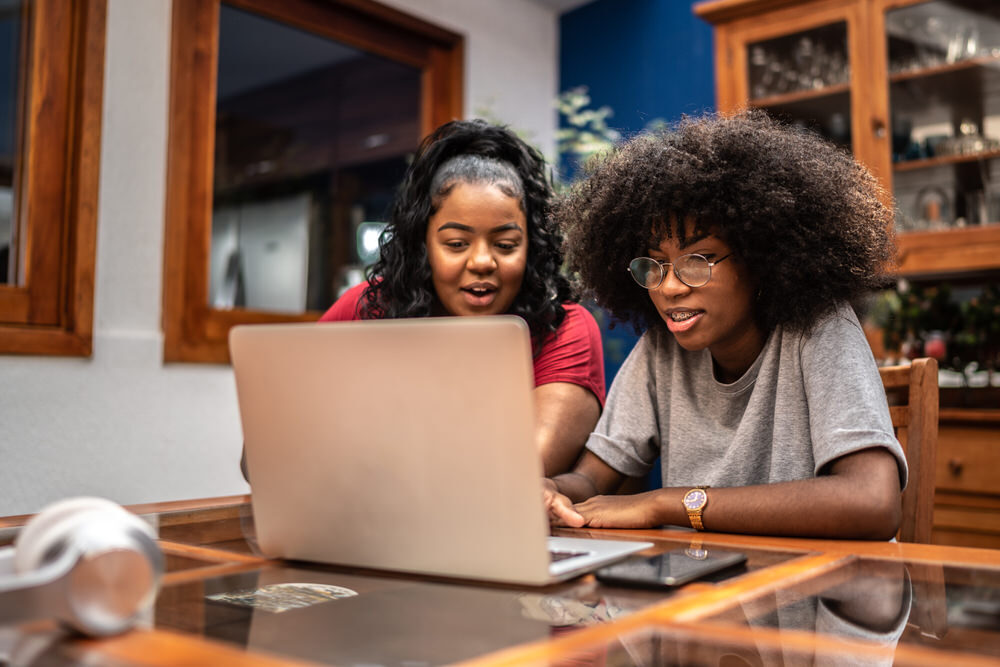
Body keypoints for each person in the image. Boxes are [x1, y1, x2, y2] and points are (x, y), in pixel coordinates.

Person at [544, 110, 906, 539]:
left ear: (759, 258)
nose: (670, 287)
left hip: (819, 590)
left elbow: (874, 503)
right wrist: (551, 490)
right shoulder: (663, 347)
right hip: (709, 588)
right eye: (654, 266)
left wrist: (666, 502)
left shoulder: (818, 328)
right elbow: (591, 481)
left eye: (697, 261)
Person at [319, 119, 605, 477]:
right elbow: (267, 455)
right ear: (423, 245)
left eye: (505, 245)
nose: (482, 262)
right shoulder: (369, 307)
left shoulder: (563, 328)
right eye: (456, 244)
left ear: (531, 247)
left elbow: (521, 472)